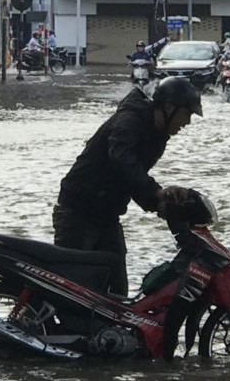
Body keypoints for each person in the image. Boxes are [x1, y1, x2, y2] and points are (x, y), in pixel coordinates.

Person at [53, 76, 200, 296]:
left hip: (107, 214)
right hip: (78, 211)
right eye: (187, 113)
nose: (187, 122)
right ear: (169, 107)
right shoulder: (131, 119)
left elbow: (131, 177)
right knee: (69, 289)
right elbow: (120, 157)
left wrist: (158, 202)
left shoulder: (158, 137)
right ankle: (30, 313)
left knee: (117, 292)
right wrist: (156, 191)